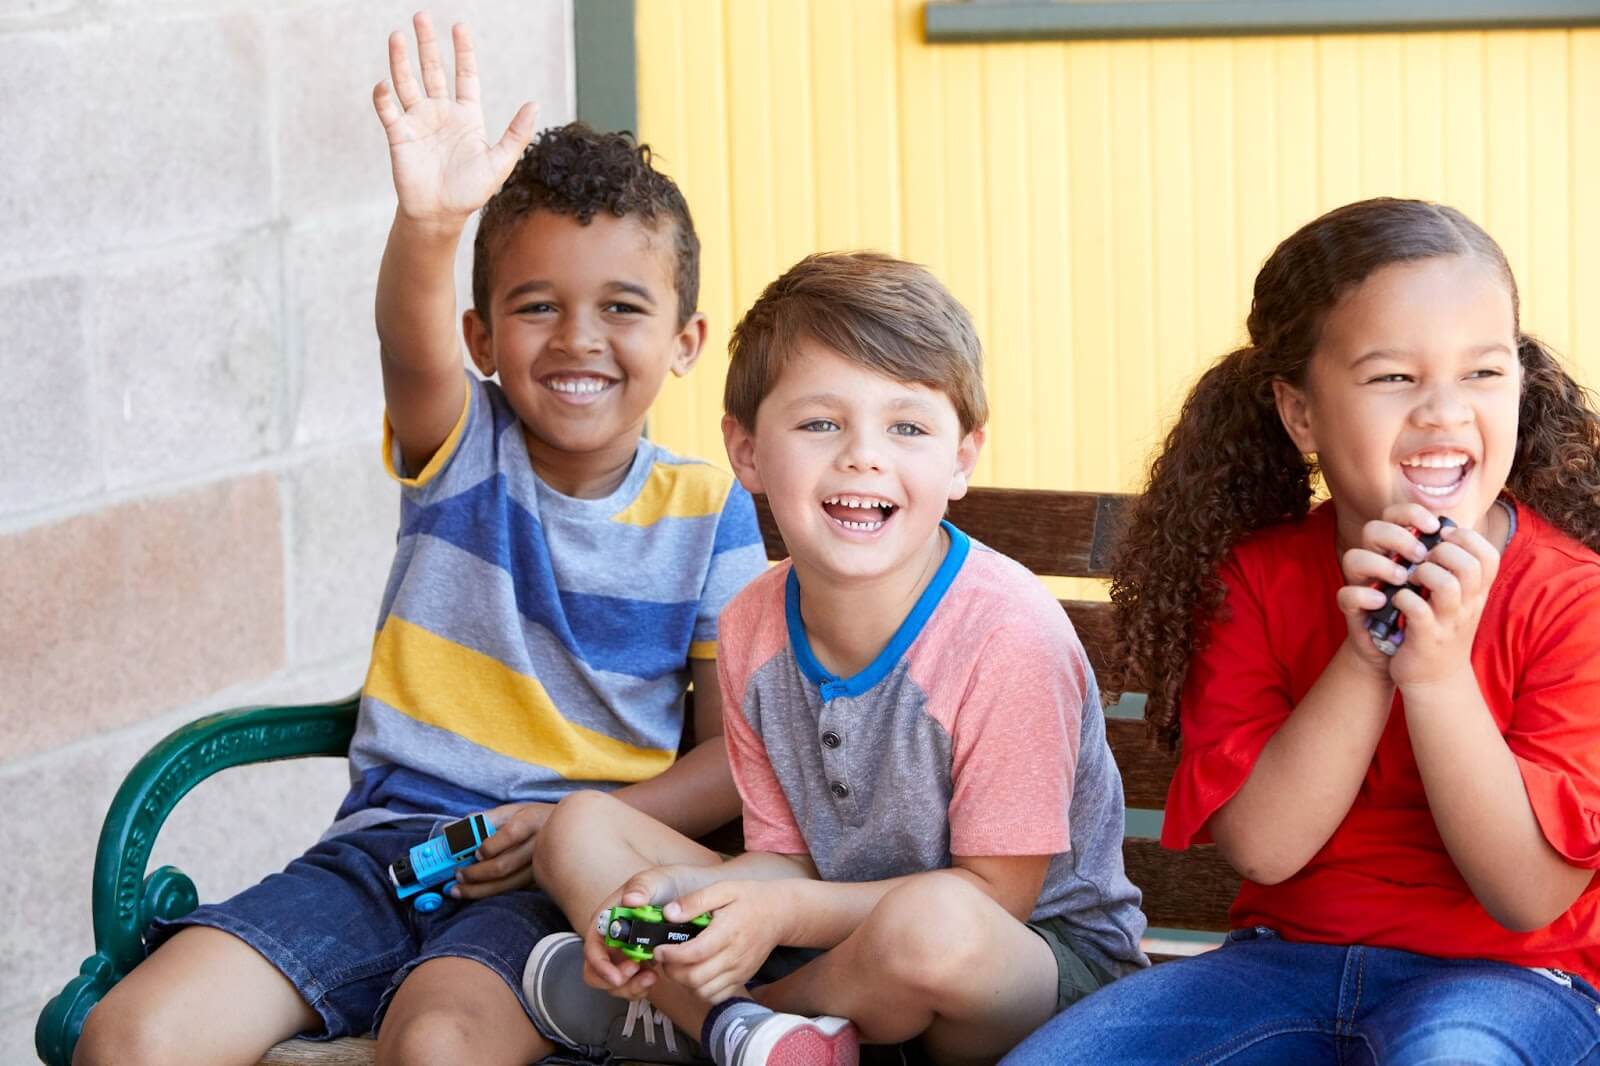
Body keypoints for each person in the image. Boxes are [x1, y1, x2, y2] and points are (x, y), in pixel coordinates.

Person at [72, 14, 763, 1066]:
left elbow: (731, 758)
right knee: (130, 1036)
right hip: (378, 861)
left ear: (684, 342)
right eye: (537, 307)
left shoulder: (710, 514)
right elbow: (409, 341)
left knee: (437, 1045)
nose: (579, 337)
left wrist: (580, 823)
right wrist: (431, 225)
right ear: (481, 336)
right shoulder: (461, 444)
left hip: (553, 888)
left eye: (623, 307)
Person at [1003, 197, 1600, 1066]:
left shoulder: (1574, 600)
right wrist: (1367, 655)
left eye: (1483, 371)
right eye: (1393, 377)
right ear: (1301, 414)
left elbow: (1530, 895)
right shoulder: (1255, 580)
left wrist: (1436, 676)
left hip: (1512, 980)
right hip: (1282, 967)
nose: (1444, 411)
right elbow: (1266, 849)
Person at [523, 251, 1148, 1066]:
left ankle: (720, 1025)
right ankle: (762, 1036)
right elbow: (786, 861)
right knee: (576, 827)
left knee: (933, 926)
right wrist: (681, 897)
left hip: (1031, 971)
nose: (862, 456)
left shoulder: (1007, 635)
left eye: (907, 427)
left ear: (962, 457)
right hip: (836, 942)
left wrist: (777, 916)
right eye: (821, 423)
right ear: (747, 450)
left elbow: (995, 897)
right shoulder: (752, 625)